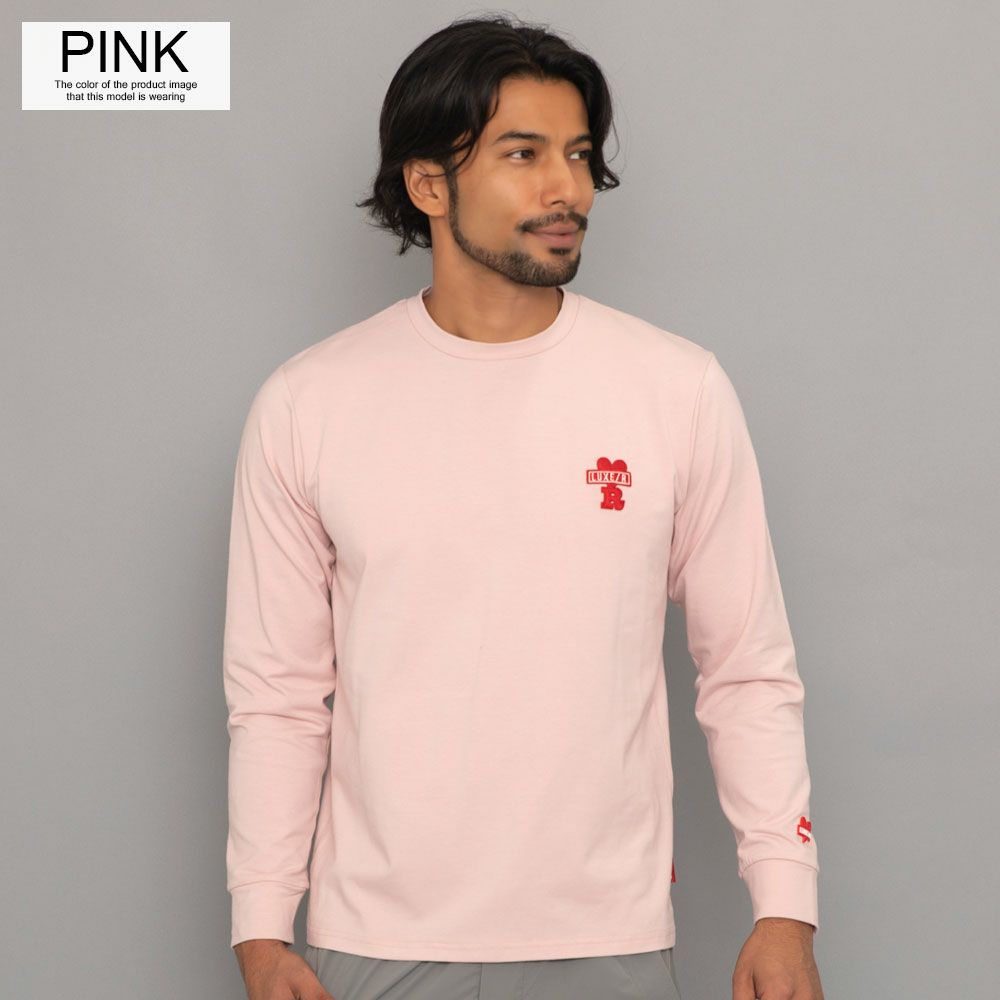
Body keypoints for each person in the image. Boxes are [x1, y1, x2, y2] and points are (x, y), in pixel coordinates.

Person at [223, 13, 825, 1000]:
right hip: (376, 938)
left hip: (608, 934)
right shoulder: (309, 403)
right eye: (523, 154)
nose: (568, 189)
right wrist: (259, 925)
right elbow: (278, 695)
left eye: (579, 155)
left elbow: (747, 669)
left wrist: (785, 904)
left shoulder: (674, 388)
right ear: (429, 184)